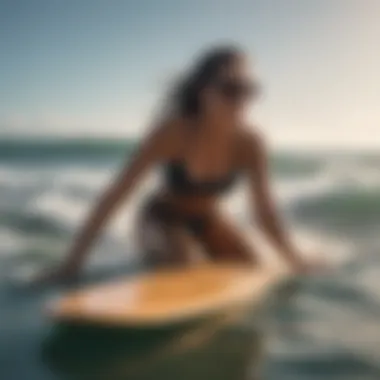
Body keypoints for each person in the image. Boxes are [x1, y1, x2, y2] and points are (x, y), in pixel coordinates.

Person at [44, 44, 316, 282]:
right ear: (203, 91)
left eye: (248, 90)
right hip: (162, 218)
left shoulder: (251, 144)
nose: (241, 101)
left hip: (208, 219)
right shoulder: (172, 134)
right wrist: (72, 265)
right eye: (230, 89)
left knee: (252, 269)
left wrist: (294, 259)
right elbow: (115, 196)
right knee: (186, 270)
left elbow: (264, 211)